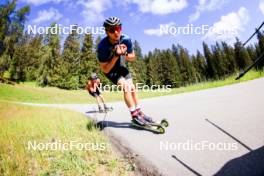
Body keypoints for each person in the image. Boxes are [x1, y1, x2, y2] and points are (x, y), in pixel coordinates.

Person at [97, 17, 153, 125]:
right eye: (112, 30)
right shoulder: (102, 47)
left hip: (121, 66)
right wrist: (116, 55)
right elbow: (105, 68)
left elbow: (132, 57)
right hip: (110, 70)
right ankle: (134, 116)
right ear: (107, 32)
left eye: (118, 28)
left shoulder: (126, 39)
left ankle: (139, 112)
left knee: (132, 88)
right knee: (126, 87)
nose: (116, 32)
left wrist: (124, 54)